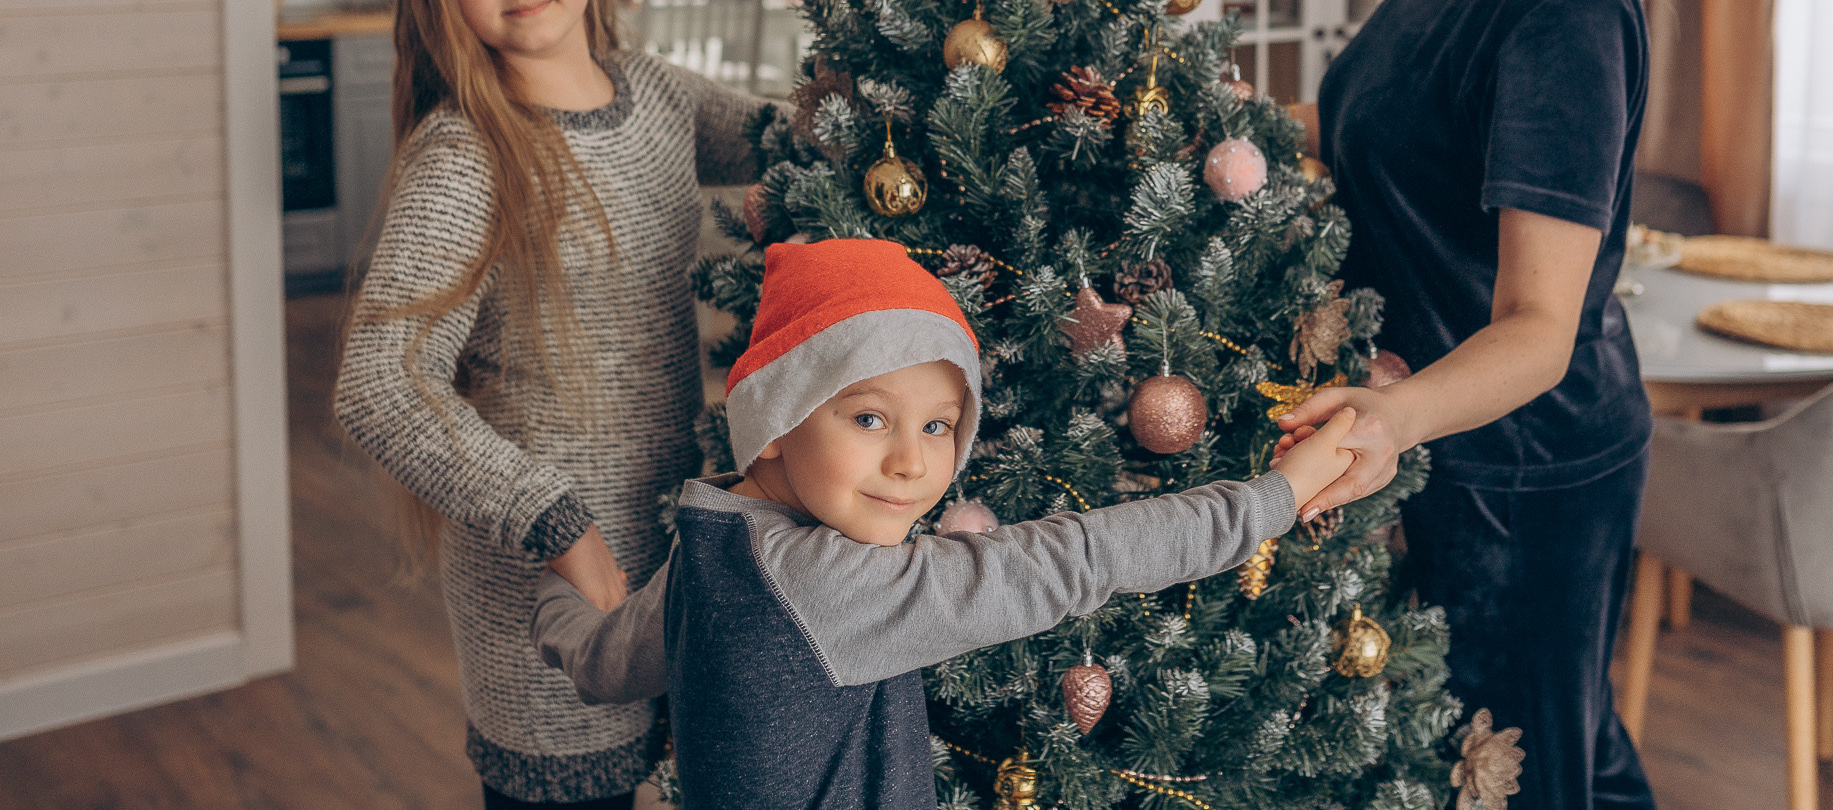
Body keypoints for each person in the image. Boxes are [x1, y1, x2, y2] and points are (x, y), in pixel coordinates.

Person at [529, 237, 1362, 810]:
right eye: (868, 418)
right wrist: (1275, 496)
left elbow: (604, 661)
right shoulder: (830, 583)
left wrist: (552, 600)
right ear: (774, 420)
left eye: (937, 425)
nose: (911, 463)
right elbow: (1084, 556)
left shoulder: (709, 543)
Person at [1280, 0, 1673, 809]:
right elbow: (1372, 134)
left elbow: (1538, 329)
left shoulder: (1562, 10)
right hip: (1442, 442)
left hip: (1520, 469)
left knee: (1520, 775)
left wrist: (1390, 418)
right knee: (1556, 752)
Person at [335, 0, 779, 808]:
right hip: (547, 589)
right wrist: (557, 524)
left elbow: (793, 139)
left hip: (676, 545)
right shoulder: (466, 155)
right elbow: (380, 386)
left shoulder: (656, 94)